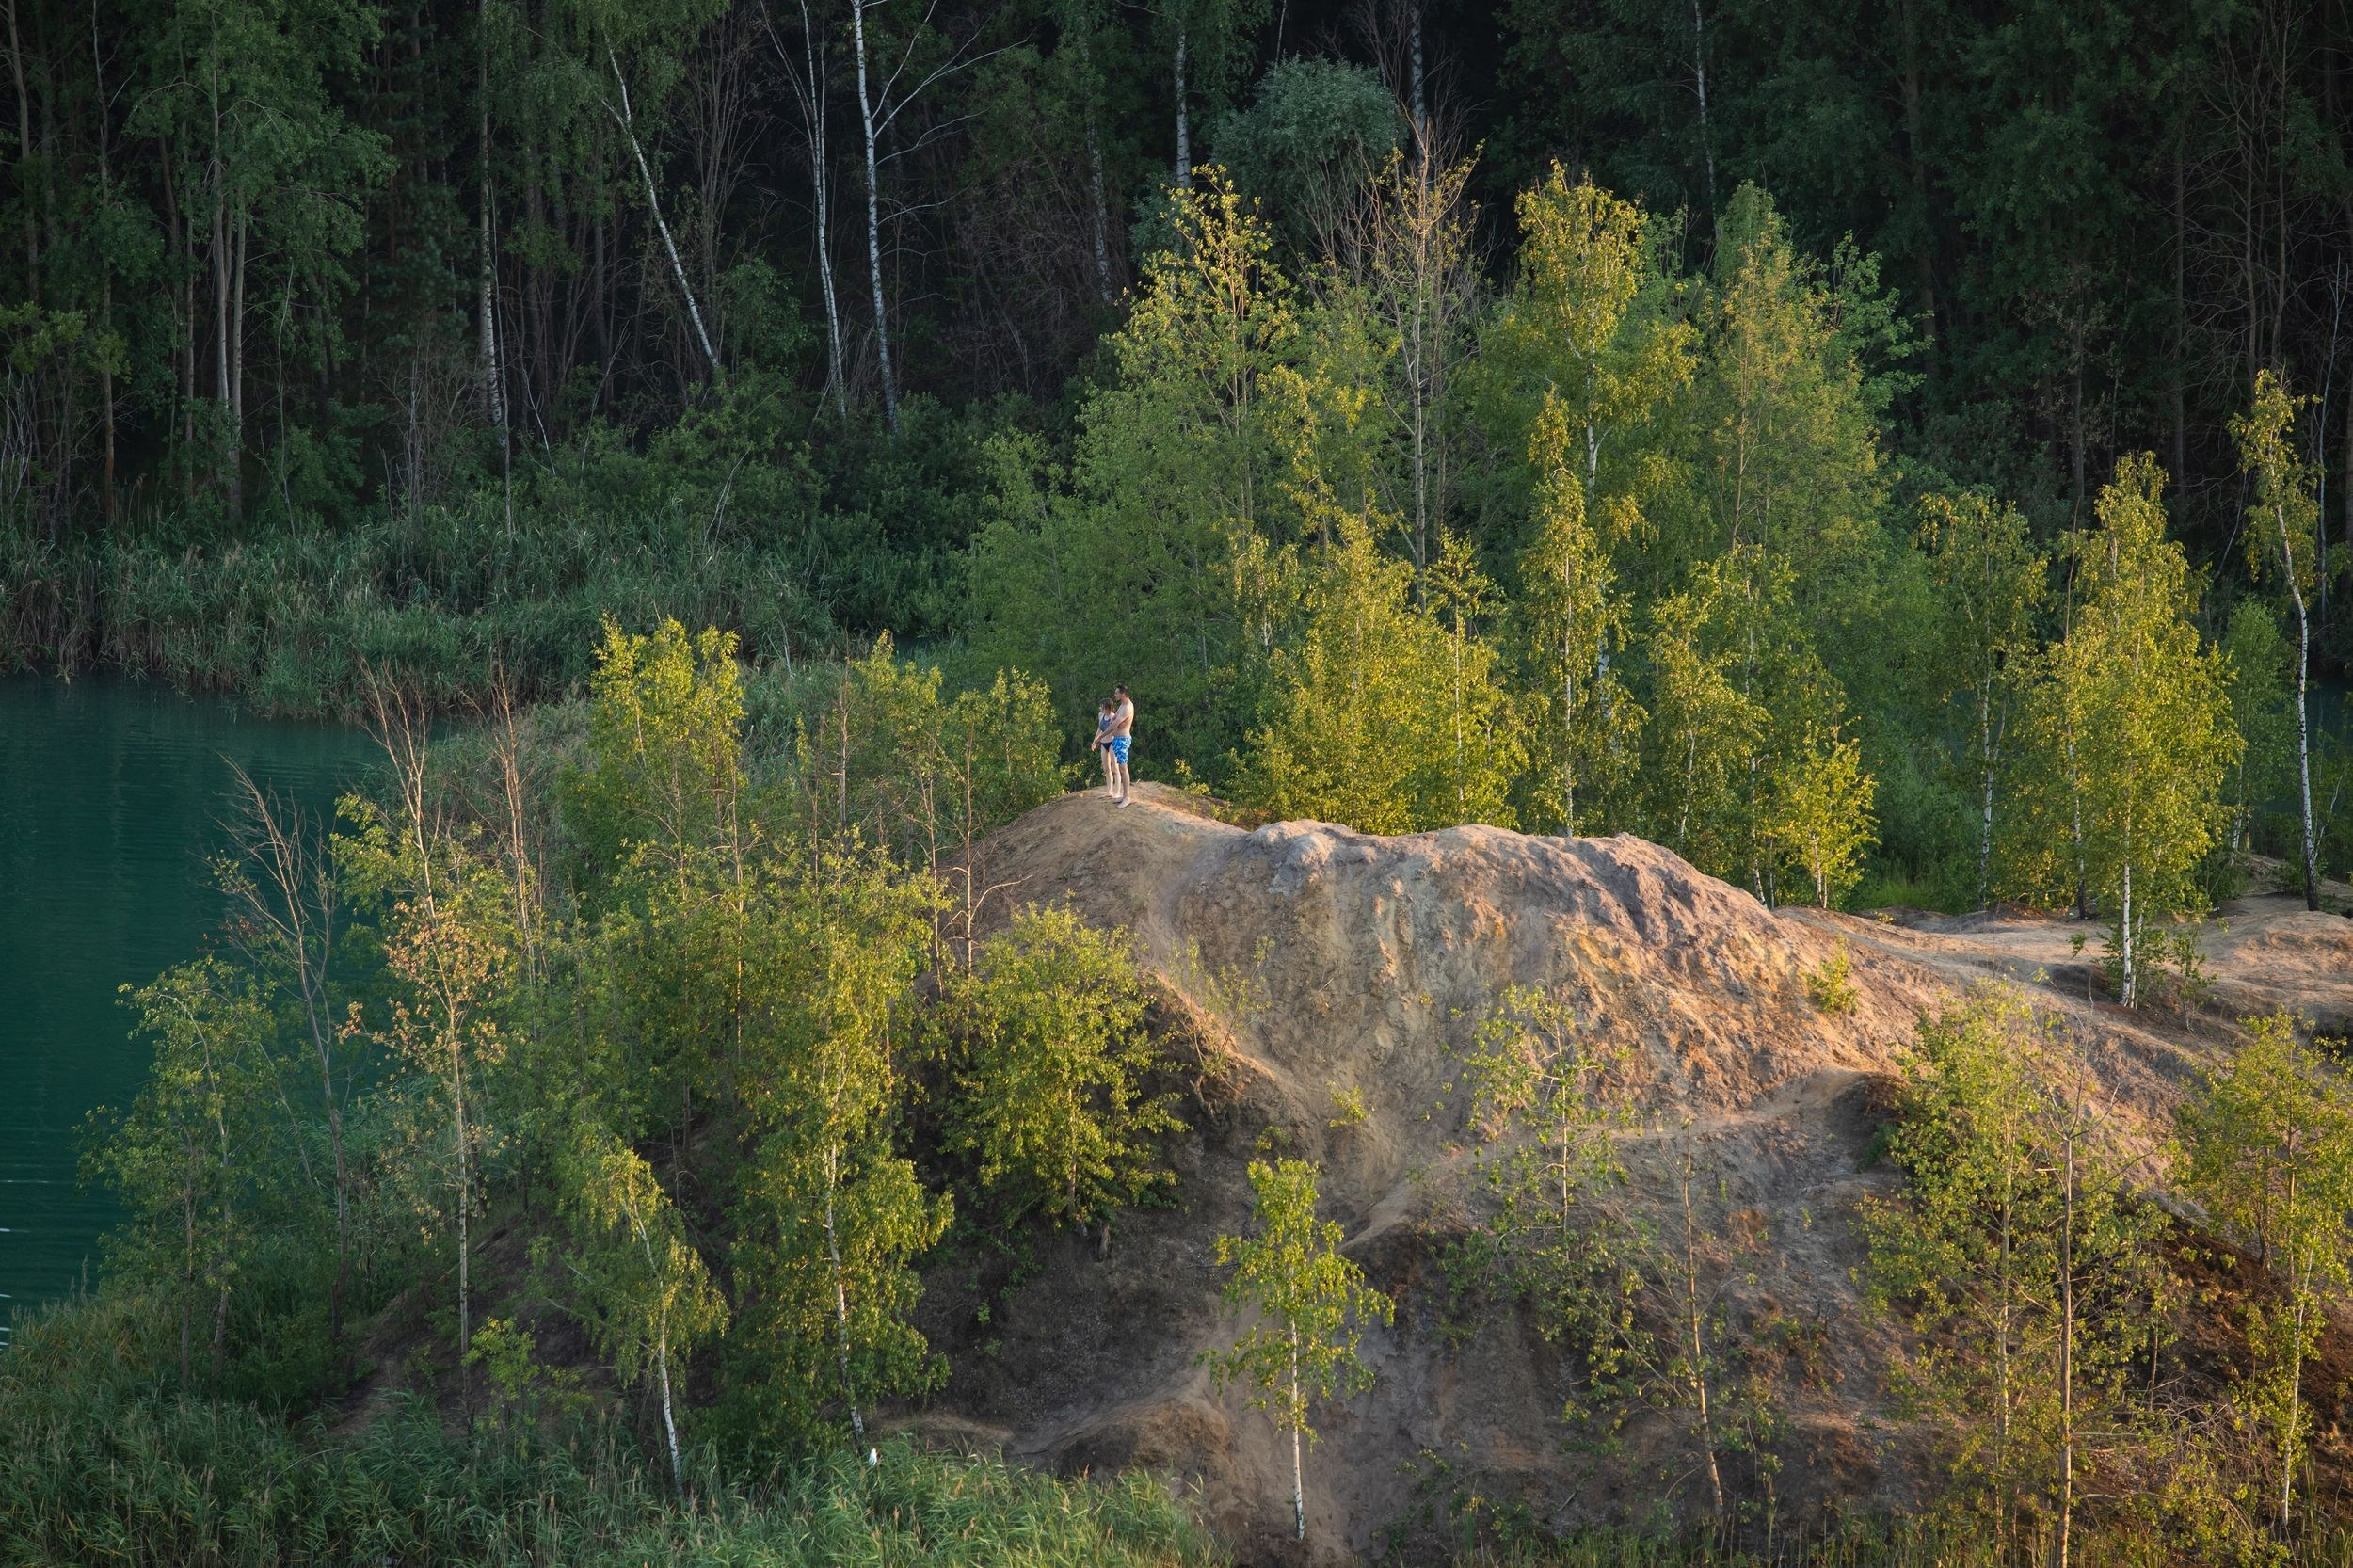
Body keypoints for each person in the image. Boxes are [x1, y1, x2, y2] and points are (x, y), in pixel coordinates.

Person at [1104, 684, 1134, 807]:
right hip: (1117, 739)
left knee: (1123, 768)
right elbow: (1114, 721)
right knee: (1121, 768)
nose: (1115, 695)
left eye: (1117, 693)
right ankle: (1123, 795)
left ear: (1123, 694)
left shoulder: (1127, 707)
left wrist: (1100, 737)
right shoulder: (1121, 705)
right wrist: (1116, 723)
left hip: (1122, 740)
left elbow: (1113, 725)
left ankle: (1127, 797)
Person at [1090, 698, 1118, 798]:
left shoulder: (1113, 717)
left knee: (1115, 768)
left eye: (1101, 706)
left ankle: (1117, 791)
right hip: (1103, 743)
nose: (1100, 707)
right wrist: (1094, 741)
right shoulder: (1101, 715)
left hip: (1112, 742)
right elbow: (1100, 729)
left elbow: (1114, 731)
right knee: (1106, 768)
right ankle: (1109, 791)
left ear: (1106, 707)